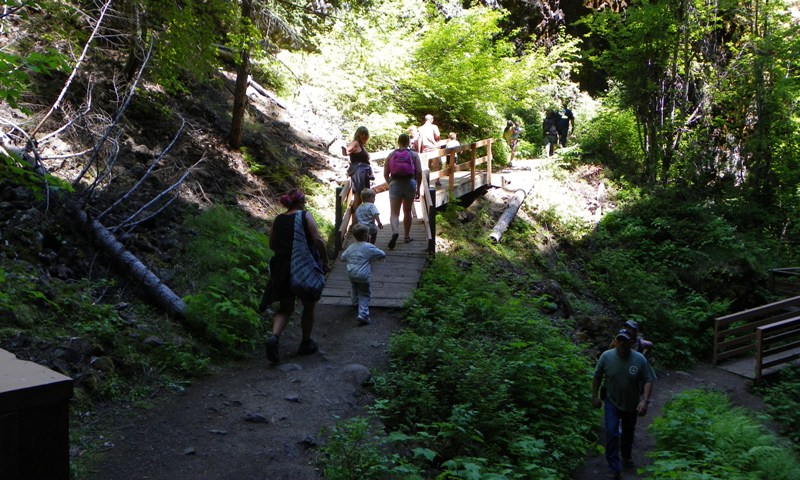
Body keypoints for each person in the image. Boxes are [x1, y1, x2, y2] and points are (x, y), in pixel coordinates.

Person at [263, 189, 330, 365]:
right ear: (301, 201)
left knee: (285, 307)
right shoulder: (305, 216)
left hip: (281, 267)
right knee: (308, 305)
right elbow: (317, 240)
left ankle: (274, 337)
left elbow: (271, 244)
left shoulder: (278, 219)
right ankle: (305, 342)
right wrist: (324, 260)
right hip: (302, 266)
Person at [592, 329, 656, 479]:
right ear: (616, 341)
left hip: (631, 403)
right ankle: (614, 466)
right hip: (611, 401)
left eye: (625, 341)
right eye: (619, 340)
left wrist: (645, 401)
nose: (621, 344)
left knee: (628, 433)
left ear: (631, 343)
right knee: (612, 432)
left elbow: (648, 379)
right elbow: (597, 376)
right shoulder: (606, 357)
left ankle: (626, 456)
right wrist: (594, 396)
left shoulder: (639, 359)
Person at [340, 224, 386, 325]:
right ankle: (363, 315)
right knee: (364, 294)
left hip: (351, 273)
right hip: (363, 276)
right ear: (366, 235)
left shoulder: (351, 246)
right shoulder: (369, 247)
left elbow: (342, 258)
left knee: (354, 287)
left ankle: (355, 303)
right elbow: (382, 254)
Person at [383, 133, 422, 249]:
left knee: (394, 213)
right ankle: (406, 236)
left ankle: (395, 232)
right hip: (410, 183)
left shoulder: (391, 155)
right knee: (407, 211)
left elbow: (385, 173)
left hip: (395, 183)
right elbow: (419, 172)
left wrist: (390, 183)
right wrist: (418, 188)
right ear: (409, 142)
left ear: (398, 142)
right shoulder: (414, 155)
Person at [342, 126, 374, 215]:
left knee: (363, 196)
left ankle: (361, 219)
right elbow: (347, 151)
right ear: (358, 135)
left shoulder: (361, 145)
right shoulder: (355, 143)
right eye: (362, 134)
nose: (364, 136)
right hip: (359, 174)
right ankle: (356, 222)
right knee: (359, 197)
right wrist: (345, 150)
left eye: (365, 134)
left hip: (364, 173)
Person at [418, 114, 442, 186]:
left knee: (426, 167)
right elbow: (437, 136)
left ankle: (426, 183)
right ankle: (437, 181)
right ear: (431, 119)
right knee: (437, 165)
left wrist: (419, 152)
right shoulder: (434, 127)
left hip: (425, 149)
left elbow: (419, 141)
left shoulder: (420, 128)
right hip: (434, 148)